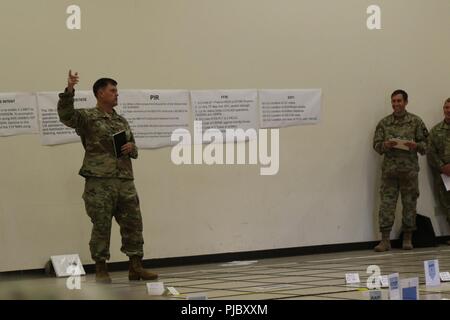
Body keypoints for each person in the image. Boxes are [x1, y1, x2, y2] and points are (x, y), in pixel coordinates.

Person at [57, 70, 158, 283]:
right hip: (99, 181)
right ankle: (101, 269)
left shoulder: (121, 120)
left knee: (134, 223)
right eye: (113, 91)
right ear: (100, 93)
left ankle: (135, 267)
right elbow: (66, 116)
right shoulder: (87, 117)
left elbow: (135, 151)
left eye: (117, 91)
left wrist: (132, 147)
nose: (116, 94)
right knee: (101, 225)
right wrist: (69, 90)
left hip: (125, 181)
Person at [373, 89, 428, 252]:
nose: (396, 104)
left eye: (399, 101)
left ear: (406, 102)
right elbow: (376, 145)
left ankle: (407, 238)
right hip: (390, 173)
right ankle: (385, 240)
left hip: (409, 173)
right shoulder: (384, 123)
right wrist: (385, 145)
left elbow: (426, 145)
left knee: (409, 205)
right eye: (393, 101)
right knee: (386, 206)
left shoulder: (416, 122)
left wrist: (415, 146)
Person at [427, 98, 450, 245]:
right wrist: (442, 167)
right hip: (445, 176)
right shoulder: (435, 131)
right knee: (447, 205)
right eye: (446, 107)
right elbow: (430, 152)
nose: (448, 110)